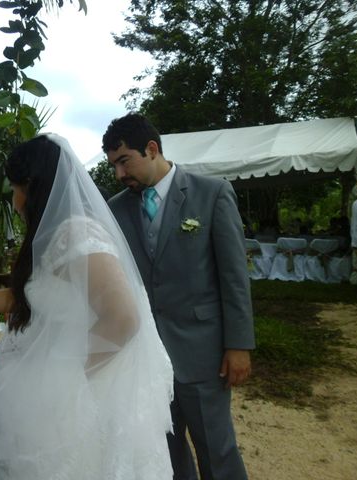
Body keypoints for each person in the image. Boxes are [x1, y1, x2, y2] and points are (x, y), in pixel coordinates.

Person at [0, 134, 174, 479]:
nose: (13, 200)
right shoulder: (56, 236)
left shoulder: (78, 235)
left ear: (33, 187)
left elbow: (124, 319)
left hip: (91, 398)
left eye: (15, 188)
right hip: (69, 390)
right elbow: (23, 297)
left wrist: (67, 375)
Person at [102, 113, 255, 480]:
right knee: (164, 455)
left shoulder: (212, 193)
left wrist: (239, 345)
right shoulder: (115, 208)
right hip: (145, 359)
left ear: (152, 149)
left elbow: (234, 278)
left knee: (217, 451)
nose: (120, 174)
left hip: (202, 355)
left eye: (125, 161)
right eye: (114, 165)